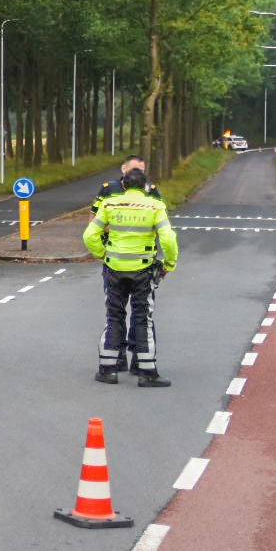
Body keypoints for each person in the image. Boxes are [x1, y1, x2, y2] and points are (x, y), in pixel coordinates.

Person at [83, 163, 179, 387]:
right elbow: (168, 239)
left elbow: (89, 235)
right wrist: (169, 263)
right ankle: (147, 373)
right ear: (145, 187)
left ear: (124, 185)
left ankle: (107, 370)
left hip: (114, 269)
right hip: (143, 270)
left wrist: (103, 254)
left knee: (114, 316)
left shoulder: (109, 204)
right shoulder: (155, 206)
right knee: (142, 318)